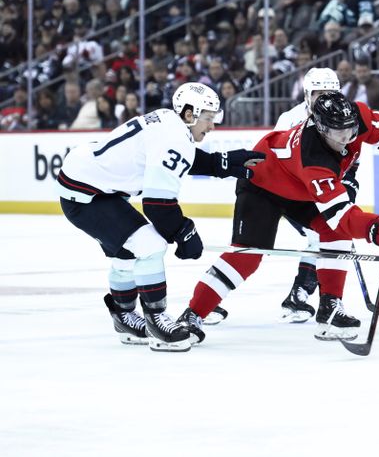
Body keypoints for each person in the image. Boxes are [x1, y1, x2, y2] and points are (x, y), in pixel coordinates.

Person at [176, 90, 379, 342]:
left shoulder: (357, 117)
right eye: (339, 133)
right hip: (262, 186)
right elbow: (341, 215)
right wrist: (377, 229)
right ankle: (192, 314)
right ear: (322, 128)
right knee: (246, 256)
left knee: (334, 231)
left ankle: (329, 308)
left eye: (351, 130)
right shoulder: (313, 159)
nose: (348, 139)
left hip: (298, 188)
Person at [57, 82, 265, 352]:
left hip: (87, 184)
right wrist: (184, 233)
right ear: (189, 115)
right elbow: (157, 205)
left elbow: (179, 157)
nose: (212, 126)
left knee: (127, 251)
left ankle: (124, 317)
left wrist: (219, 163)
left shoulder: (169, 119)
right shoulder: (175, 136)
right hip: (87, 195)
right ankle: (155, 321)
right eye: (209, 119)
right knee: (150, 246)